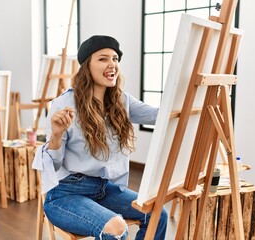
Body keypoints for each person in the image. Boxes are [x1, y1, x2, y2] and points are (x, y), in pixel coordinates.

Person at [32, 35, 168, 240]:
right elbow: (55, 165)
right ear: (87, 66)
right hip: (66, 194)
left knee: (157, 214)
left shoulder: (121, 100)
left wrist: (190, 95)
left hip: (103, 190)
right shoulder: (65, 104)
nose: (112, 64)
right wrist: (56, 135)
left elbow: (161, 114)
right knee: (116, 228)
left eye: (115, 58)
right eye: (103, 59)